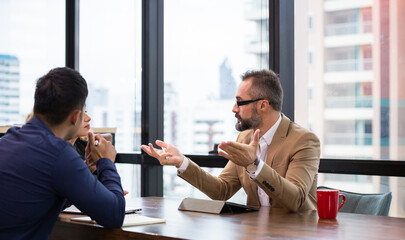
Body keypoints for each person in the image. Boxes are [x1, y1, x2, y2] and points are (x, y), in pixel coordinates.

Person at [141, 69, 320, 212]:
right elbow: (221, 190)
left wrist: (254, 165)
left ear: (263, 105)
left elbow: (296, 199)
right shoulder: (244, 138)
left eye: (240, 102)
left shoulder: (303, 141)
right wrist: (182, 162)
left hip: (297, 232)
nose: (234, 109)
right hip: (256, 232)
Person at [0, 67, 125, 239]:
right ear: (75, 117)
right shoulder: (58, 154)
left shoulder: (7, 141)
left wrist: (84, 175)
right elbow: (114, 215)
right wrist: (106, 162)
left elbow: (41, 195)